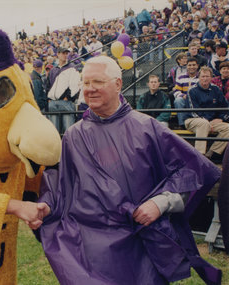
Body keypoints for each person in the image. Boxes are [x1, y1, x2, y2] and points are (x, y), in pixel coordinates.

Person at [33, 56, 222, 285]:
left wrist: (160, 203)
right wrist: (47, 204)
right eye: (85, 83)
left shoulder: (147, 128)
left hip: (140, 246)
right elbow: (63, 188)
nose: (89, 89)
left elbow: (192, 173)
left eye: (97, 82)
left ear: (118, 84)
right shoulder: (74, 136)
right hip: (92, 248)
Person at [183, 66, 229, 160]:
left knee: (228, 128)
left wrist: (221, 119)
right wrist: (207, 122)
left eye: (207, 76)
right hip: (193, 120)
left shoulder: (216, 89)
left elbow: (225, 107)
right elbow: (193, 112)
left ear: (211, 77)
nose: (205, 79)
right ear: (199, 77)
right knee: (203, 123)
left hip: (212, 122)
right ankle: (199, 157)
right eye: (203, 76)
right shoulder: (192, 90)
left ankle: (210, 154)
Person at [46, 47, 81, 134]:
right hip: (53, 103)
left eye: (66, 53)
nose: (65, 55)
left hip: (65, 102)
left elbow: (75, 85)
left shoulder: (72, 67)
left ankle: (69, 147)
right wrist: (49, 98)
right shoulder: (53, 70)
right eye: (63, 53)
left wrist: (68, 98)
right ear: (58, 54)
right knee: (54, 132)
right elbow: (48, 85)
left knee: (69, 130)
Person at [173, 57, 199, 129]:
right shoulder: (181, 77)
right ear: (187, 66)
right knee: (178, 100)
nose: (192, 67)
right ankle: (182, 124)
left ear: (197, 66)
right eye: (189, 65)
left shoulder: (201, 77)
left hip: (197, 100)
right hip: (185, 99)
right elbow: (176, 91)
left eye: (194, 65)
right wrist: (183, 95)